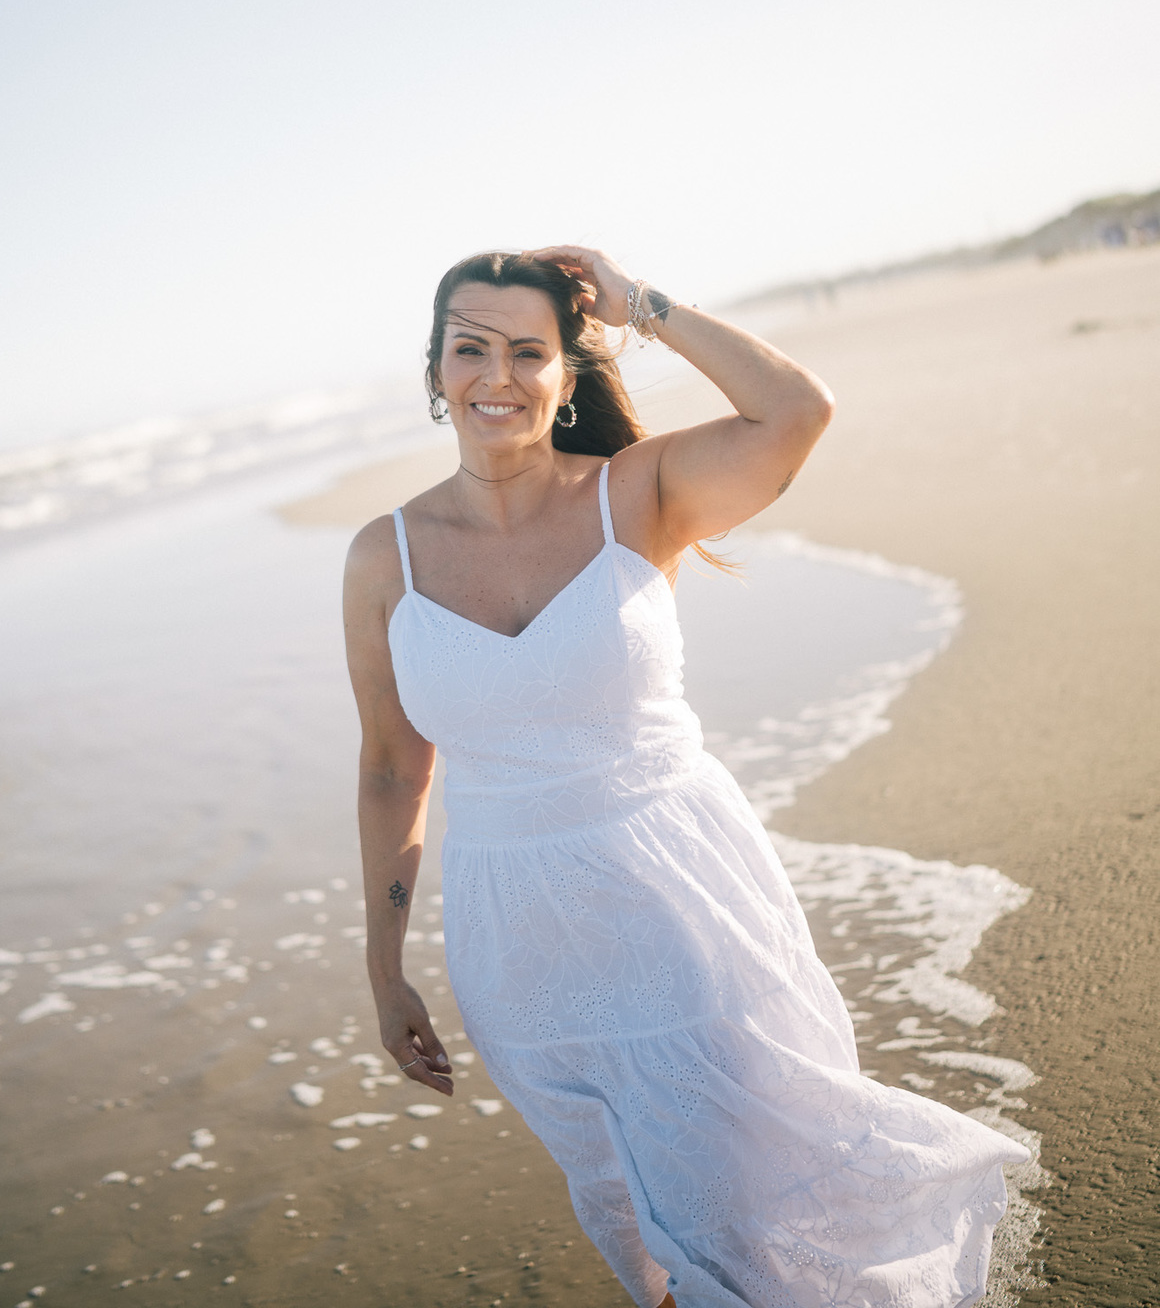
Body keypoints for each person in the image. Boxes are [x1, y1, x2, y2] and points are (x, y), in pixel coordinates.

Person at [342, 246, 1028, 1308]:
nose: (499, 376)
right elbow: (392, 768)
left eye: (531, 351)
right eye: (470, 347)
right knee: (626, 1208)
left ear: (568, 374)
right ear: (435, 369)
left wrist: (641, 306)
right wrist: (387, 971)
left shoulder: (641, 492)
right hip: (518, 948)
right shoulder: (385, 558)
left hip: (685, 902)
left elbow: (795, 412)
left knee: (751, 1193)